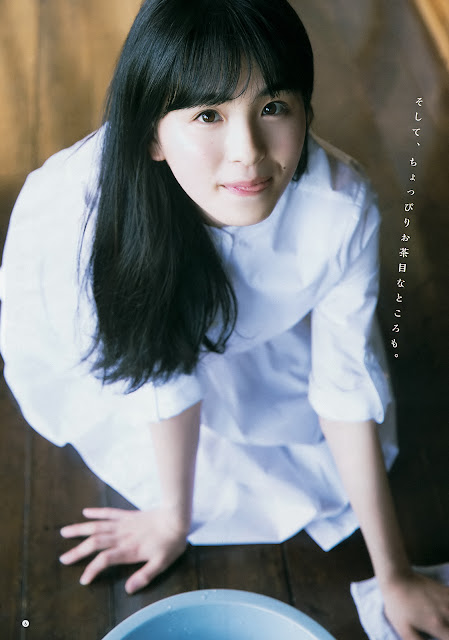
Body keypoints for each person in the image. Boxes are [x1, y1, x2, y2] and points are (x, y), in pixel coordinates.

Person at [1, 0, 449, 638]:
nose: (248, 154)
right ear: (153, 135)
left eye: (273, 107)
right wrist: (173, 518)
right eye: (208, 114)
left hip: (258, 320)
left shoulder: (340, 209)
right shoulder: (83, 221)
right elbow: (160, 368)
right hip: (136, 328)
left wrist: (395, 576)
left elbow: (345, 387)